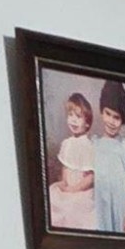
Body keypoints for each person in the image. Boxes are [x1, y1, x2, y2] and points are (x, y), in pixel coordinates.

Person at [91, 78, 125, 235]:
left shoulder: (124, 146)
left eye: (116, 117)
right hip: (102, 204)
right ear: (101, 112)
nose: (111, 121)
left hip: (120, 205)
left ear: (123, 119)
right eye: (108, 114)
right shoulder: (95, 144)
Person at [47, 90, 95, 227]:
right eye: (70, 115)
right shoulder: (67, 143)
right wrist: (64, 183)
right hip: (68, 187)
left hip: (82, 190)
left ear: (87, 123)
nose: (73, 120)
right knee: (52, 195)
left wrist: (74, 189)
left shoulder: (87, 146)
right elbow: (66, 167)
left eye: (78, 117)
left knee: (72, 208)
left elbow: (90, 178)